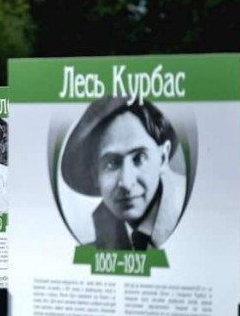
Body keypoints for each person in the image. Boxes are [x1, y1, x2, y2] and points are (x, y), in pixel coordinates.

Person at [60, 97, 186, 251]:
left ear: (162, 158)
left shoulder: (193, 221)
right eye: (111, 164)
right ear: (95, 175)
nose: (126, 182)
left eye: (139, 158)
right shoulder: (93, 248)